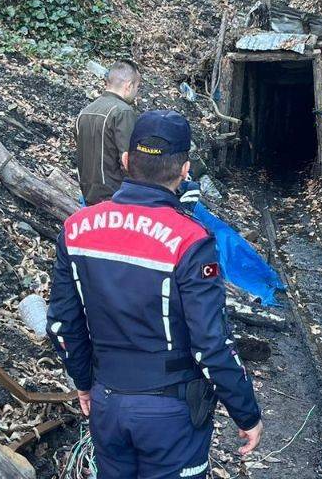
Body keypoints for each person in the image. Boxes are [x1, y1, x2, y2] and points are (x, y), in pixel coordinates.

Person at [47, 110, 263, 478]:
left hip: (107, 400)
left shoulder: (77, 228)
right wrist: (245, 411)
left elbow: (62, 323)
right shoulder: (191, 241)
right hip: (171, 415)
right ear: (185, 170)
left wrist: (83, 381)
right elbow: (211, 343)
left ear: (127, 161)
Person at [76, 60, 141, 205]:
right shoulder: (123, 111)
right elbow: (127, 160)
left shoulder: (85, 112)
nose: (137, 92)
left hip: (87, 197)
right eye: (137, 86)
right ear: (129, 86)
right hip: (115, 198)